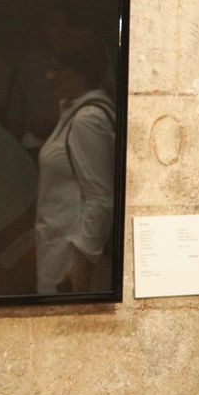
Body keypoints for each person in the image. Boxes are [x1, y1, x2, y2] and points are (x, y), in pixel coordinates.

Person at [34, 29, 118, 294]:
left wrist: (83, 266)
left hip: (70, 257)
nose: (49, 76)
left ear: (81, 73)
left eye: (55, 68)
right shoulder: (75, 110)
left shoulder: (88, 119)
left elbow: (100, 199)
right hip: (59, 247)